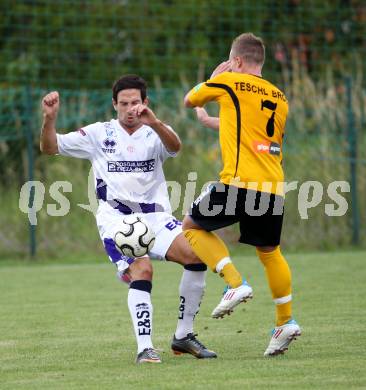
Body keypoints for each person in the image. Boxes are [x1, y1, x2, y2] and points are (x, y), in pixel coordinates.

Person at [39, 74, 217, 363]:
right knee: (143, 270)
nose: (130, 109)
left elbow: (175, 147)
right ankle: (145, 348)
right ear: (114, 105)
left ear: (145, 103)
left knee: (197, 255)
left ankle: (183, 336)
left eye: (135, 102)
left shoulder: (156, 130)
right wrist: (49, 119)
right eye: (123, 103)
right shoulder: (99, 134)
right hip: (117, 218)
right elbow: (50, 147)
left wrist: (155, 123)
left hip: (156, 217)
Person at [183, 33, 301, 356]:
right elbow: (251, 133)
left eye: (230, 62)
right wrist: (212, 122)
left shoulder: (231, 81)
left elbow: (190, 99)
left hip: (239, 182)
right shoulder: (280, 97)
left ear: (236, 61)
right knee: (270, 252)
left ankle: (235, 283)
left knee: (191, 227)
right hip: (273, 186)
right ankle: (285, 322)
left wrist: (214, 78)